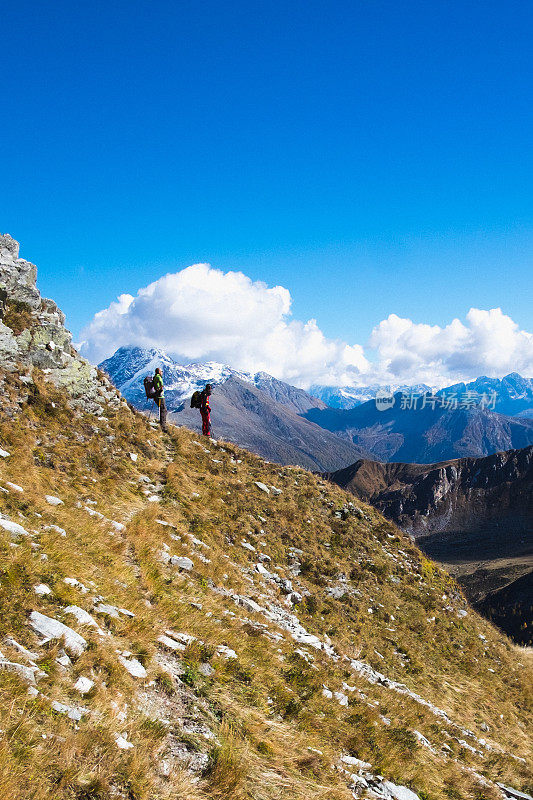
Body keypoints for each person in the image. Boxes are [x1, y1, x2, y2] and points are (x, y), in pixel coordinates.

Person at [153, 367, 168, 432]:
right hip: (160, 397)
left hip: (156, 396)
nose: (162, 372)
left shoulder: (154, 377)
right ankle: (163, 427)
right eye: (161, 371)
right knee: (163, 410)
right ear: (159, 372)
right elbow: (161, 385)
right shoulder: (159, 377)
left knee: (162, 410)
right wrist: (161, 389)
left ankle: (162, 424)